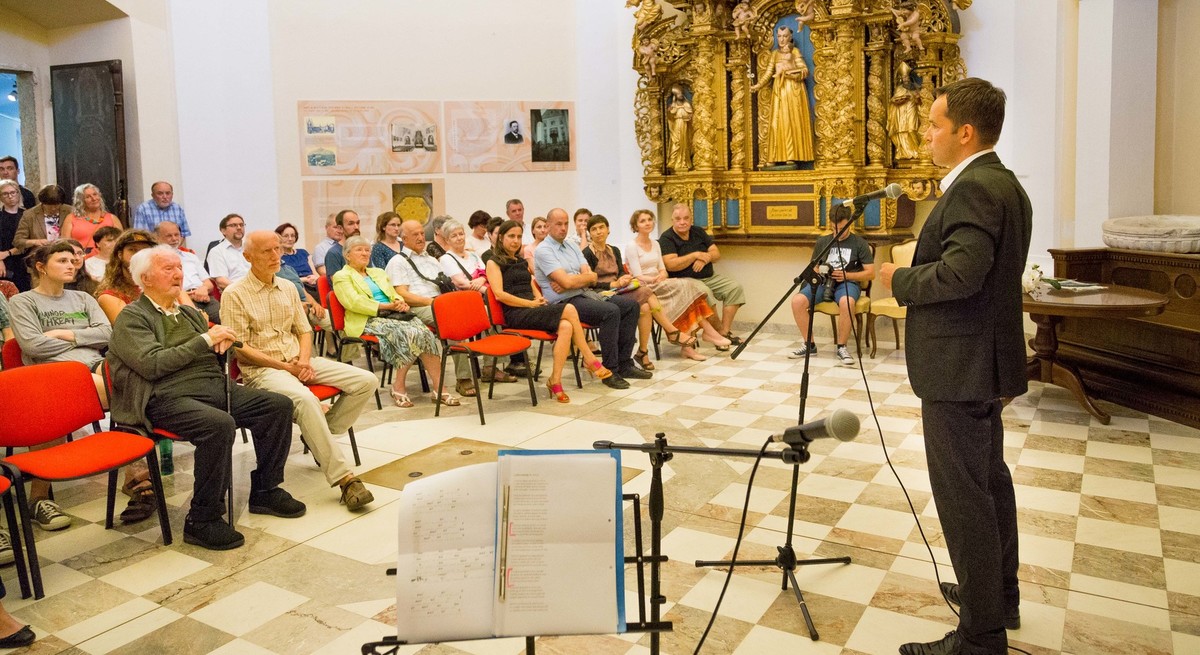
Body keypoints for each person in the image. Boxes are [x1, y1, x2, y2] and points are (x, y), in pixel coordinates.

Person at [879, 78, 1030, 655]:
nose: (925, 134)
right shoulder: (1006, 184)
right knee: (989, 483)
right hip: (982, 362)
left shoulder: (972, 189)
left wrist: (900, 279)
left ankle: (980, 636)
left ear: (965, 132)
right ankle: (998, 597)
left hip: (959, 365)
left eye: (933, 124)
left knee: (964, 497)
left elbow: (961, 275)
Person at [108, 245, 305, 550]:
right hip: (165, 397)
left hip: (211, 386)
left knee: (277, 405)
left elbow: (210, 354)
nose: (178, 274)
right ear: (145, 278)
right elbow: (153, 364)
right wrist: (204, 340)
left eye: (179, 267)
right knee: (218, 425)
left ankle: (266, 490)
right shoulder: (133, 317)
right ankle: (202, 519)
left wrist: (222, 345)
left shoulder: (188, 313)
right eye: (168, 269)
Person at [223, 231, 377, 511]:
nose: (275, 256)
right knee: (306, 401)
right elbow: (240, 349)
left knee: (366, 380)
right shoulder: (234, 294)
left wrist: (304, 361)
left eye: (278, 249)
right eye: (267, 251)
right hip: (264, 369)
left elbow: (304, 330)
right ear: (248, 257)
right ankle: (345, 479)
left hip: (299, 359)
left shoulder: (287, 287)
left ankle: (319, 433)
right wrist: (287, 367)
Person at [9, 242, 113, 529]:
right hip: (51, 373)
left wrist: (61, 333)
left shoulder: (83, 298)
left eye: (73, 260)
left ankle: (136, 475)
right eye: (62, 260)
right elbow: (33, 345)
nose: (71, 265)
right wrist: (83, 337)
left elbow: (107, 333)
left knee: (133, 382)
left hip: (94, 364)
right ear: (41, 267)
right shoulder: (23, 301)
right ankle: (39, 498)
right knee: (120, 394)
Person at [487, 220, 610, 403]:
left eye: (519, 236)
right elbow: (499, 294)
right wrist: (530, 304)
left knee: (566, 327)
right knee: (569, 308)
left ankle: (555, 381)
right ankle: (590, 358)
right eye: (511, 236)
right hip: (515, 313)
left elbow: (530, 283)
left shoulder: (520, 261)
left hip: (532, 308)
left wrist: (539, 298)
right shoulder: (493, 262)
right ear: (501, 238)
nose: (515, 240)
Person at [332, 235, 458, 408]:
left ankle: (439, 388)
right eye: (359, 250)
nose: (365, 253)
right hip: (367, 319)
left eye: (367, 250)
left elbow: (394, 293)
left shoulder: (378, 272)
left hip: (393, 314)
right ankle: (399, 386)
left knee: (425, 333)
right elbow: (354, 302)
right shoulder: (342, 276)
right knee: (410, 334)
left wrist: (399, 302)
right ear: (347, 255)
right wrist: (387, 306)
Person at [534, 208, 647, 389]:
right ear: (547, 226)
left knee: (631, 306)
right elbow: (568, 282)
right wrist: (574, 280)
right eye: (558, 224)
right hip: (564, 303)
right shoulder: (543, 250)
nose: (563, 228)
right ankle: (610, 370)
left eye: (566, 224)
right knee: (610, 312)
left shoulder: (571, 245)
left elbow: (592, 276)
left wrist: (573, 280)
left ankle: (625, 364)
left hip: (584, 294)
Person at [388, 220, 478, 398]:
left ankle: (491, 366)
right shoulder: (397, 261)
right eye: (415, 234)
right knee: (452, 320)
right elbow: (401, 294)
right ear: (404, 239)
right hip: (416, 306)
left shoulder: (431, 260)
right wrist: (431, 302)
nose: (421, 237)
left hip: (439, 303)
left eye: (422, 233)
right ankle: (464, 378)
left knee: (480, 312)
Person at [625, 209, 727, 363]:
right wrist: (655, 279)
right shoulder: (632, 246)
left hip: (660, 282)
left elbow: (663, 269)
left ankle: (694, 343)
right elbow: (637, 275)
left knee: (688, 290)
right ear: (635, 225)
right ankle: (704, 335)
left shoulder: (655, 243)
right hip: (645, 287)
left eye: (649, 220)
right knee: (686, 289)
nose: (647, 223)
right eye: (642, 221)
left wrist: (662, 276)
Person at [789, 204, 875, 365]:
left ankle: (842, 347)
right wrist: (819, 272)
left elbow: (871, 273)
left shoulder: (859, 243)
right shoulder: (823, 242)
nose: (838, 233)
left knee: (846, 302)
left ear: (850, 223)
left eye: (842, 229)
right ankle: (809, 345)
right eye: (834, 229)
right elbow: (814, 267)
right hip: (823, 282)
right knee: (797, 301)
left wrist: (846, 275)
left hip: (847, 282)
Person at [439, 219, 517, 383]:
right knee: (486, 313)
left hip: (480, 300)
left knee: (494, 314)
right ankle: (464, 377)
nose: (459, 238)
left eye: (461, 234)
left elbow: (486, 273)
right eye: (454, 236)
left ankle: (490, 367)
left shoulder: (473, 255)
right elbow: (461, 283)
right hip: (461, 302)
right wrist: (484, 289)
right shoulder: (446, 258)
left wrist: (481, 280)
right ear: (447, 240)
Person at [659, 203, 746, 344]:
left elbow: (716, 254)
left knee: (734, 288)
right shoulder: (667, 238)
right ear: (672, 220)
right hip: (684, 280)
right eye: (678, 219)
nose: (682, 222)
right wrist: (695, 255)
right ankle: (719, 334)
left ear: (691, 219)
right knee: (705, 293)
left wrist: (705, 258)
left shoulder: (698, 231)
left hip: (709, 277)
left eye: (686, 218)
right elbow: (671, 265)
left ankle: (724, 331)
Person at [750, 24, 814, 165]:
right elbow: (768, 73)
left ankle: (791, 155)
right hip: (779, 89)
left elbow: (804, 70)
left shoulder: (795, 51)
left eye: (785, 36)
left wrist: (789, 74)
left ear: (790, 37)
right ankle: (774, 156)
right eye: (779, 36)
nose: (782, 39)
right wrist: (758, 85)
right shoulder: (775, 54)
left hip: (793, 90)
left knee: (790, 121)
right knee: (777, 122)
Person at [157, 220, 221, 323]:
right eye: (169, 236)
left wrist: (204, 289)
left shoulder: (190, 256)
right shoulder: (155, 260)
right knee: (197, 326)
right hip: (179, 302)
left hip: (204, 298)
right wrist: (185, 295)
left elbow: (208, 283)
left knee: (228, 319)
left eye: (177, 235)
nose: (174, 239)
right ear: (157, 238)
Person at [62, 183, 122, 252]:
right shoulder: (71, 218)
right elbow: (65, 245)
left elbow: (121, 243)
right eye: (88, 197)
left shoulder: (112, 218)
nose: (93, 198)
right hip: (81, 256)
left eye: (95, 194)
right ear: (81, 201)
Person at [13, 184, 68, 254]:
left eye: (57, 205)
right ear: (42, 202)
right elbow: (17, 241)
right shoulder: (30, 215)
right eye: (49, 206)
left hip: (65, 253)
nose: (53, 208)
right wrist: (35, 242)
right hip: (40, 255)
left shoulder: (69, 211)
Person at [0, 180, 31, 290]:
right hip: (4, 262)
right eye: (5, 194)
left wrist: (8, 253)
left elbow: (30, 239)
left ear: (18, 193)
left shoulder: (27, 215)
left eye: (13, 192)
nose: (10, 196)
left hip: (24, 259)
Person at [207, 214, 249, 290]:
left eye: (241, 225)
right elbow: (222, 281)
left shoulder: (252, 247)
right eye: (234, 225)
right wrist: (245, 290)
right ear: (223, 231)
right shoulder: (216, 251)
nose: (239, 228)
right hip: (235, 292)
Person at [276, 222, 319, 292]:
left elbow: (315, 272)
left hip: (313, 285)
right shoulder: (278, 258)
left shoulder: (303, 253)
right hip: (294, 288)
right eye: (286, 236)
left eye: (293, 236)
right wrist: (305, 279)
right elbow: (283, 280)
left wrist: (316, 278)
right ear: (279, 238)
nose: (290, 239)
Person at [324, 209, 360, 285]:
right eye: (351, 224)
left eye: (357, 223)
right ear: (340, 228)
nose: (356, 227)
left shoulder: (363, 250)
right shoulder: (333, 253)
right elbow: (339, 284)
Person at [666, 85, 694, 172]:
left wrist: (687, 117)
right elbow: (670, 117)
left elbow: (691, 115)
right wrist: (669, 111)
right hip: (676, 125)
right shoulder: (673, 105)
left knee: (684, 143)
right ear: (675, 96)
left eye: (681, 93)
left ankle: (684, 162)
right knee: (676, 142)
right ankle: (673, 162)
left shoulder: (687, 104)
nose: (681, 95)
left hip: (684, 126)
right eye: (679, 94)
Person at [312, 214, 342, 278]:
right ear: (326, 227)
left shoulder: (347, 245)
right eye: (335, 227)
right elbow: (323, 272)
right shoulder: (320, 248)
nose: (339, 231)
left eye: (340, 228)